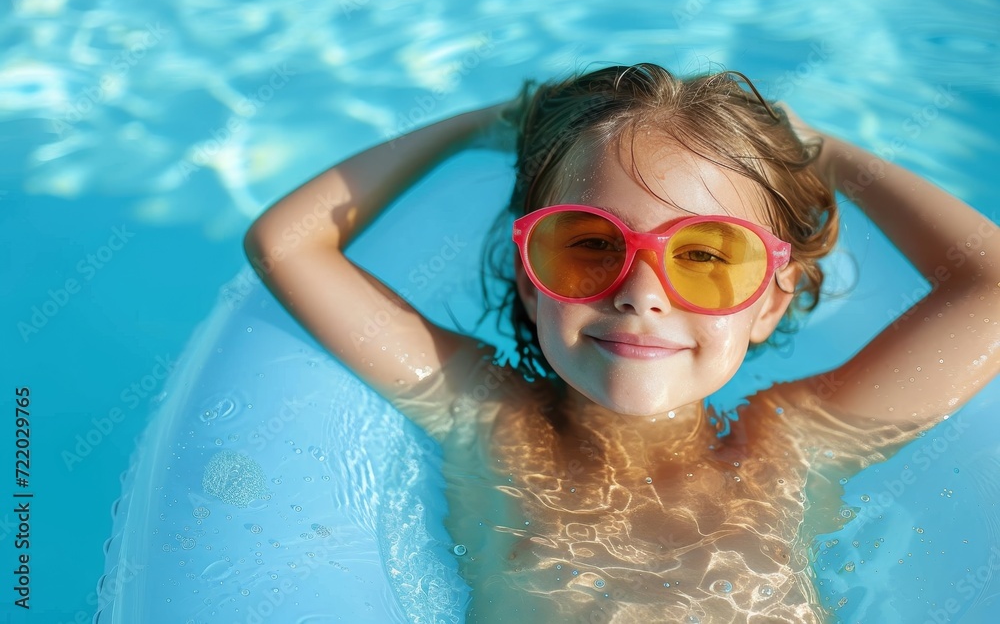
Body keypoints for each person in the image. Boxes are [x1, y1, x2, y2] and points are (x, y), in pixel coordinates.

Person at [243, 63, 999, 622]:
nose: (641, 289)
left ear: (772, 300)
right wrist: (482, 126)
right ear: (532, 280)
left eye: (706, 256)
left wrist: (818, 154)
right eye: (592, 246)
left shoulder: (790, 445)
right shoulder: (492, 419)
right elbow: (287, 247)